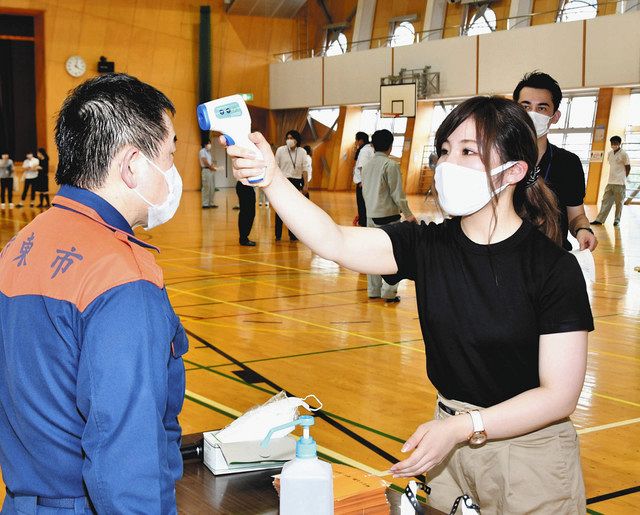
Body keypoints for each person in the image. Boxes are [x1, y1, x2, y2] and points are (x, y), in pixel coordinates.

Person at [224, 96, 592, 514]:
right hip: (448, 445)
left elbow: (559, 396)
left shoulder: (551, 268)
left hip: (530, 452)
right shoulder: (429, 245)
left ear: (514, 171)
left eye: (468, 151)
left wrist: (463, 427)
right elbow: (335, 241)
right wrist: (272, 179)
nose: (448, 164)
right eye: (445, 150)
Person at [0, 73, 187, 513]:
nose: (174, 173)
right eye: (170, 154)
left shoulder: (18, 246)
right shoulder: (120, 274)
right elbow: (125, 452)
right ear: (132, 165)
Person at [513, 71, 598, 252]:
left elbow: (576, 216)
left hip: (553, 257)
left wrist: (583, 229)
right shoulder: (497, 158)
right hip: (507, 259)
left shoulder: (569, 163)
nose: (532, 114)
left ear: (555, 116)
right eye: (525, 106)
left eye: (542, 108)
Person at [361, 129, 416, 303]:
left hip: (371, 216)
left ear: (372, 145)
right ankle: (389, 292)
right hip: (388, 217)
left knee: (373, 254)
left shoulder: (367, 166)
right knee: (394, 254)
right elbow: (397, 194)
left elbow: (365, 191)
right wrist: (408, 214)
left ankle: (373, 290)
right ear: (390, 146)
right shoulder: (390, 165)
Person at [273, 129, 307, 241]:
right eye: (287, 138)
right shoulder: (280, 150)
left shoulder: (302, 151)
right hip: (283, 181)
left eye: (291, 138)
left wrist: (305, 184)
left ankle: (293, 235)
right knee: (280, 208)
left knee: (294, 209)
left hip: (296, 181)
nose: (289, 140)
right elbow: (275, 166)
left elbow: (304, 169)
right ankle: (278, 234)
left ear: (297, 140)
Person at [591, 136, 630, 227]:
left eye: (615, 143)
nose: (613, 145)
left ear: (619, 143)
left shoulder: (624, 154)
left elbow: (628, 167)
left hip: (620, 183)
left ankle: (617, 220)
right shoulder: (609, 154)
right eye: (612, 143)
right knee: (605, 201)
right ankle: (599, 220)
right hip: (610, 182)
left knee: (619, 203)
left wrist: (624, 178)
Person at [353, 131, 374, 227]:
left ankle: (363, 225)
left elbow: (362, 167)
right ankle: (364, 223)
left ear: (360, 140)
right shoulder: (369, 149)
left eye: (356, 140)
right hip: (367, 182)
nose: (355, 143)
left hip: (363, 184)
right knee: (364, 207)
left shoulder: (365, 150)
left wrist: (362, 182)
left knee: (362, 207)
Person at [236, 180, 256, 246]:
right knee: (246, 214)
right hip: (244, 187)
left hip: (247, 187)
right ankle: (243, 238)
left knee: (249, 213)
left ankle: (244, 237)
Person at [200, 141, 218, 208]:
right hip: (206, 170)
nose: (210, 145)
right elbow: (204, 161)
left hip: (211, 171)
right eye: (208, 144)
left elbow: (211, 161)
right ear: (205, 144)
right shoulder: (202, 151)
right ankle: (205, 204)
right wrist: (211, 167)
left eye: (210, 144)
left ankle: (211, 203)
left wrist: (213, 166)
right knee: (206, 187)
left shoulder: (209, 153)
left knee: (212, 187)